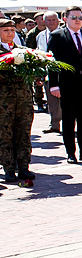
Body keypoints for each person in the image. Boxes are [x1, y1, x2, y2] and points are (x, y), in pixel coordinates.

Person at [46, 7, 82, 163]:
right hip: (67, 85)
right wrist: (54, 85)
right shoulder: (57, 36)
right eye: (73, 18)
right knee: (69, 119)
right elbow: (52, 62)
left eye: (80, 17)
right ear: (65, 19)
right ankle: (70, 152)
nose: (77, 20)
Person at [0, 19, 35, 183]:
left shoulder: (23, 51)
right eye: (6, 30)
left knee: (23, 134)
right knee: (4, 135)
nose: (9, 33)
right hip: (3, 102)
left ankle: (24, 167)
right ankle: (8, 168)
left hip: (23, 101)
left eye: (12, 30)